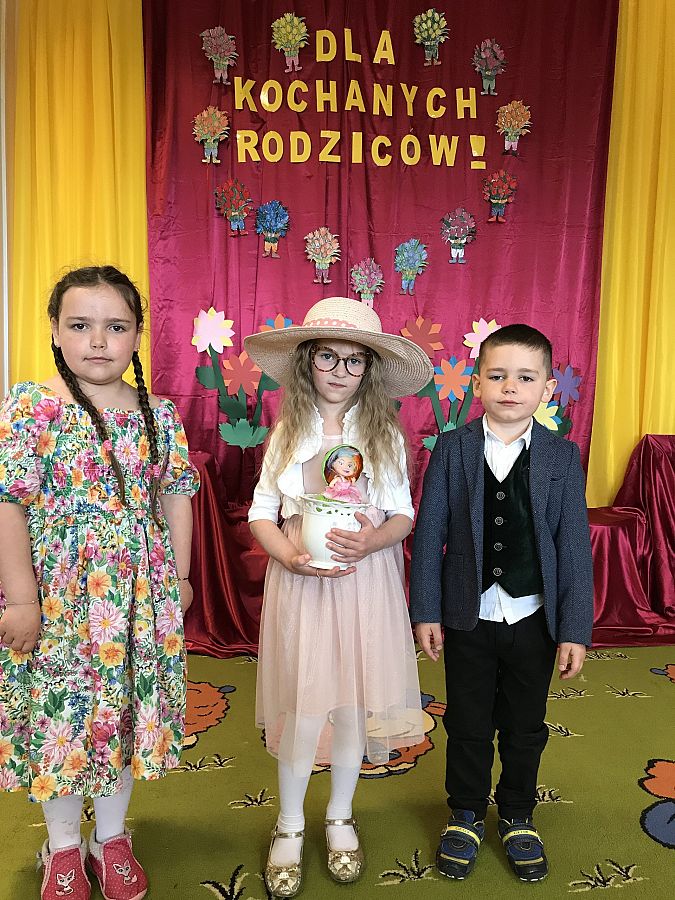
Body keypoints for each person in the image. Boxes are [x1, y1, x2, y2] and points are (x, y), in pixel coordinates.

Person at [0, 266, 200, 900]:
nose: (97, 341)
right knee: (61, 717)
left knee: (123, 715)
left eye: (115, 327)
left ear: (137, 336)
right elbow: (8, 503)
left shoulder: (158, 414)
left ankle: (111, 838)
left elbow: (177, 496)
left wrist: (182, 578)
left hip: (137, 600)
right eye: (80, 325)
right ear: (55, 330)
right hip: (59, 597)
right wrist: (22, 599)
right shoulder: (31, 407)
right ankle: (62, 846)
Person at [244, 297, 433, 898]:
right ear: (308, 361)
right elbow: (261, 513)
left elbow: (402, 515)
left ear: (369, 370)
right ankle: (289, 824)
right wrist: (286, 553)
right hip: (301, 586)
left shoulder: (383, 437)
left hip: (362, 586)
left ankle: (340, 817)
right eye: (328, 356)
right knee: (302, 710)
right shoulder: (288, 433)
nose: (340, 370)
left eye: (354, 360)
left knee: (352, 705)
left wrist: (372, 540)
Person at [410, 324, 594, 884]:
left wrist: (575, 629)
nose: (510, 387)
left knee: (524, 724)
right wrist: (426, 610)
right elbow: (430, 533)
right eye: (497, 375)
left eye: (526, 377)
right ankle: (465, 812)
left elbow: (573, 546)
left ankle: (517, 813)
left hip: (534, 619)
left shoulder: (562, 456)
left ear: (547, 389)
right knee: (466, 721)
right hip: (469, 617)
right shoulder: (452, 448)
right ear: (477, 383)